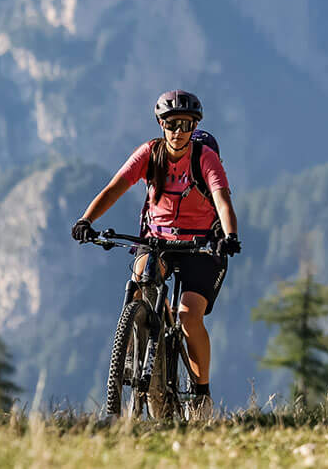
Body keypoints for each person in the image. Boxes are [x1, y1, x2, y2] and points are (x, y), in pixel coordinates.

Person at [72, 89, 241, 413]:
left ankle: (201, 395)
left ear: (195, 127)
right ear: (161, 124)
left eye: (187, 124)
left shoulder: (205, 158)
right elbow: (114, 188)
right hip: (157, 240)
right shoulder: (149, 154)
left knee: (188, 314)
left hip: (201, 244)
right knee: (139, 290)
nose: (179, 131)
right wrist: (86, 219)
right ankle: (141, 358)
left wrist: (229, 235)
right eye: (172, 124)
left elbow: (222, 199)